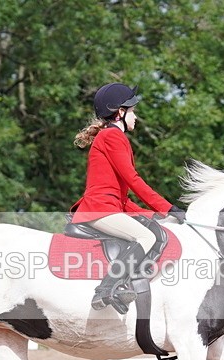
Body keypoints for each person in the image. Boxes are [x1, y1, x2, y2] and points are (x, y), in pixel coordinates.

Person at [72, 82, 186, 313]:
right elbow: (133, 180)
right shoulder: (112, 137)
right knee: (145, 237)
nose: (136, 116)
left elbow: (123, 198)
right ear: (120, 112)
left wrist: (155, 215)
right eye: (132, 111)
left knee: (152, 228)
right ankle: (106, 289)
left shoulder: (112, 137)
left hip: (111, 207)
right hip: (99, 209)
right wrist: (167, 207)